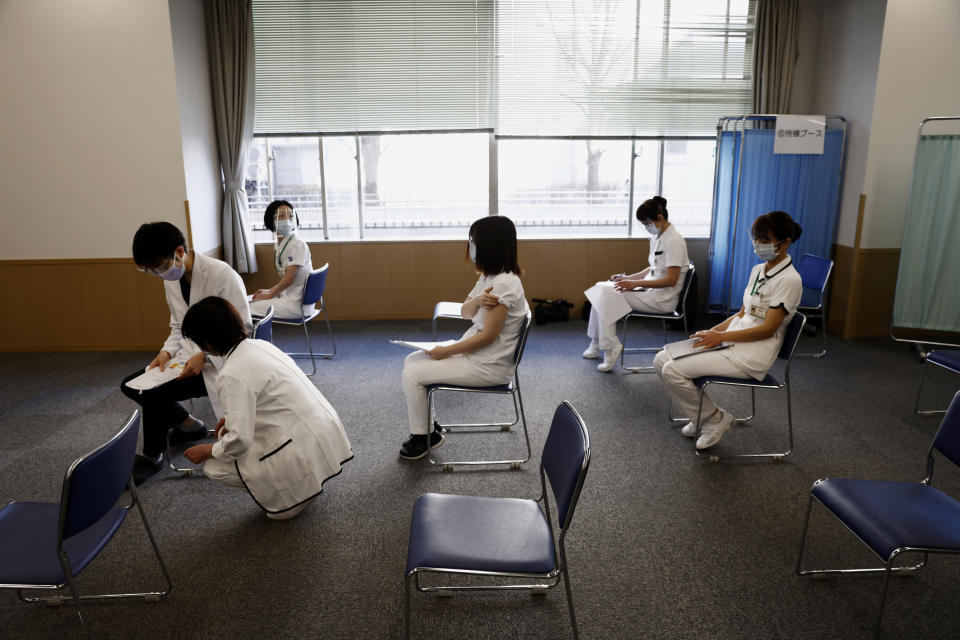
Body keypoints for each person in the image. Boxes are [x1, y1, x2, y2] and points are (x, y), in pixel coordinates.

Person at [181, 297, 352, 520]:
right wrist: (231, 421)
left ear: (207, 341)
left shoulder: (231, 373)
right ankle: (306, 483)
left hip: (300, 446)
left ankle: (294, 495)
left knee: (213, 467)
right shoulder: (260, 345)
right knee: (228, 437)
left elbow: (240, 441)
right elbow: (269, 401)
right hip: (321, 432)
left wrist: (208, 450)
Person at [653, 210, 803, 450]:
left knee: (672, 371)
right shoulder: (758, 270)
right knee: (661, 359)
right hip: (731, 340)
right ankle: (700, 415)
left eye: (764, 241)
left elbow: (767, 329)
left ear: (785, 243)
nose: (758, 245)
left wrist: (720, 337)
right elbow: (743, 313)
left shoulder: (790, 280)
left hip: (751, 354)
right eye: (756, 240)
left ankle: (715, 419)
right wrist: (711, 332)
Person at [120, 222, 252, 485]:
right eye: (151, 270)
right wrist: (166, 353)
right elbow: (178, 325)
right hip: (186, 358)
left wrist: (205, 357)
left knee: (153, 393)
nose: (158, 274)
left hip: (221, 363)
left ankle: (152, 455)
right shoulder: (172, 278)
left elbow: (245, 331)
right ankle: (188, 424)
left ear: (179, 252)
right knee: (132, 384)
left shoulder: (222, 275)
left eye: (159, 267)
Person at [398, 215, 530, 460]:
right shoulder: (490, 277)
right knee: (411, 362)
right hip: (477, 354)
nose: (470, 246)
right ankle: (427, 428)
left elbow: (488, 337)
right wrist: (478, 300)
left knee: (412, 373)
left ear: (489, 245)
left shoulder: (504, 285)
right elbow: (464, 311)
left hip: (487, 365)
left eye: (474, 241)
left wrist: (446, 351)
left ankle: (424, 437)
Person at [584, 196, 689, 371]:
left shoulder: (674, 241)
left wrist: (635, 284)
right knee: (600, 288)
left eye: (646, 222)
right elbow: (652, 269)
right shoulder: (658, 238)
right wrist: (628, 279)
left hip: (662, 300)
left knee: (607, 295)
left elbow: (671, 280)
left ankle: (611, 348)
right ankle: (596, 342)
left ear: (659, 218)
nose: (646, 226)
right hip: (649, 291)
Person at [249, 200, 314, 319]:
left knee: (246, 308)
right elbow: (286, 278)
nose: (287, 220)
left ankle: (253, 337)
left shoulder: (297, 244)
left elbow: (289, 279)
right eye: (281, 216)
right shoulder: (279, 244)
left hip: (296, 304)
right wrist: (269, 291)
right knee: (250, 300)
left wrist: (270, 294)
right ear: (271, 220)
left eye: (290, 215)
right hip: (289, 296)